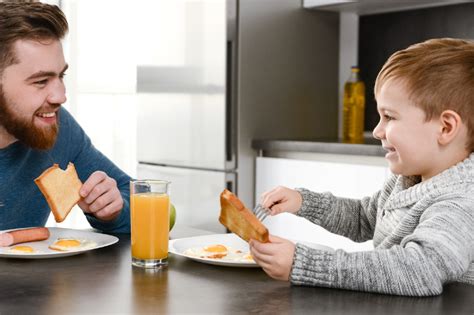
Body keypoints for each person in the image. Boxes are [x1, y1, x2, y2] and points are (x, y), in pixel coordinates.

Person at [250, 38, 474, 296]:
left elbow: (421, 270)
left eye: (389, 117)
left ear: (445, 128)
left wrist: (305, 264)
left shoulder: (462, 201)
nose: (378, 131)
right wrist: (303, 201)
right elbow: (364, 219)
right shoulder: (411, 178)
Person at [0, 2, 130, 233]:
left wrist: (114, 209)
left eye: (61, 76)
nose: (61, 96)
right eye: (41, 81)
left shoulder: (56, 126)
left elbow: (143, 200)